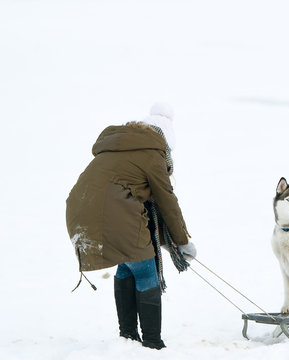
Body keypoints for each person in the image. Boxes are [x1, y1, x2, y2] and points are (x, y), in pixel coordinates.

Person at [66, 103, 196, 349]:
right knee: (145, 269)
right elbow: (166, 200)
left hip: (79, 211)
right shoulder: (152, 153)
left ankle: (128, 337)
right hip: (112, 214)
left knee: (128, 264)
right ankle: (153, 343)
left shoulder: (117, 147)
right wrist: (181, 241)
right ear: (165, 139)